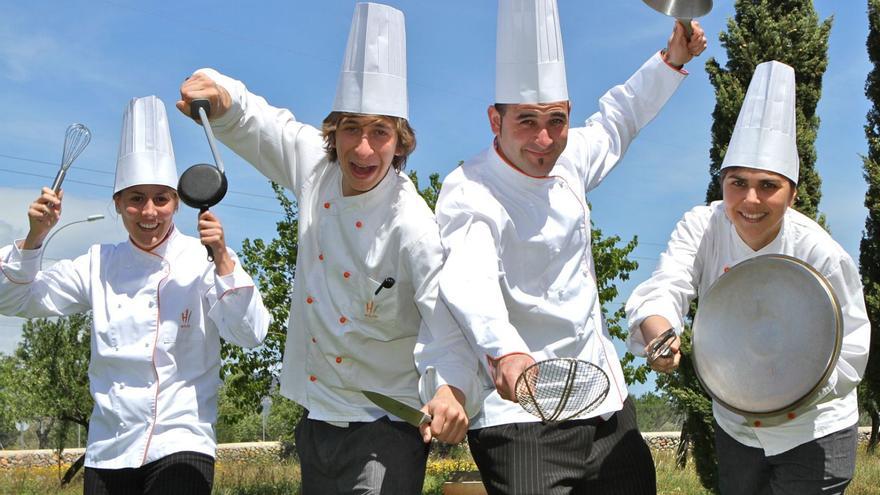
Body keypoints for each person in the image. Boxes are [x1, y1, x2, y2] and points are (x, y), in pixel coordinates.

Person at [177, 3, 480, 493]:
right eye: (352, 129)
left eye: (379, 132)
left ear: (400, 142)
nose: (363, 150)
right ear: (333, 133)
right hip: (316, 418)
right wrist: (216, 90)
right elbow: (259, 121)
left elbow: (445, 325)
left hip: (388, 423)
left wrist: (451, 388)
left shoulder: (414, 225)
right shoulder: (316, 172)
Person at [434, 0, 707, 493]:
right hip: (519, 414)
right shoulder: (470, 188)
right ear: (494, 120)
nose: (544, 139)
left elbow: (619, 120)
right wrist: (507, 352)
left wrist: (670, 61)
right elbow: (468, 279)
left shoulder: (570, 157)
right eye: (527, 122)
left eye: (556, 121)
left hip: (604, 403)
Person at [0, 95, 270, 494]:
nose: (149, 212)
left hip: (183, 441)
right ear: (118, 205)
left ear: (177, 203)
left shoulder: (205, 260)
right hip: (110, 448)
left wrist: (225, 260)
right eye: (135, 199)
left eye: (160, 199)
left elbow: (250, 334)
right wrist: (36, 237)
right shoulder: (97, 264)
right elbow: (14, 299)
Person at [625, 60, 870, 495]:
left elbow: (852, 347)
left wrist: (785, 390)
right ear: (722, 183)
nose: (750, 200)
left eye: (768, 186)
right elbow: (668, 284)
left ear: (792, 193)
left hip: (814, 430)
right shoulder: (701, 227)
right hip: (737, 428)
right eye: (737, 183)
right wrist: (658, 328)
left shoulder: (819, 253)